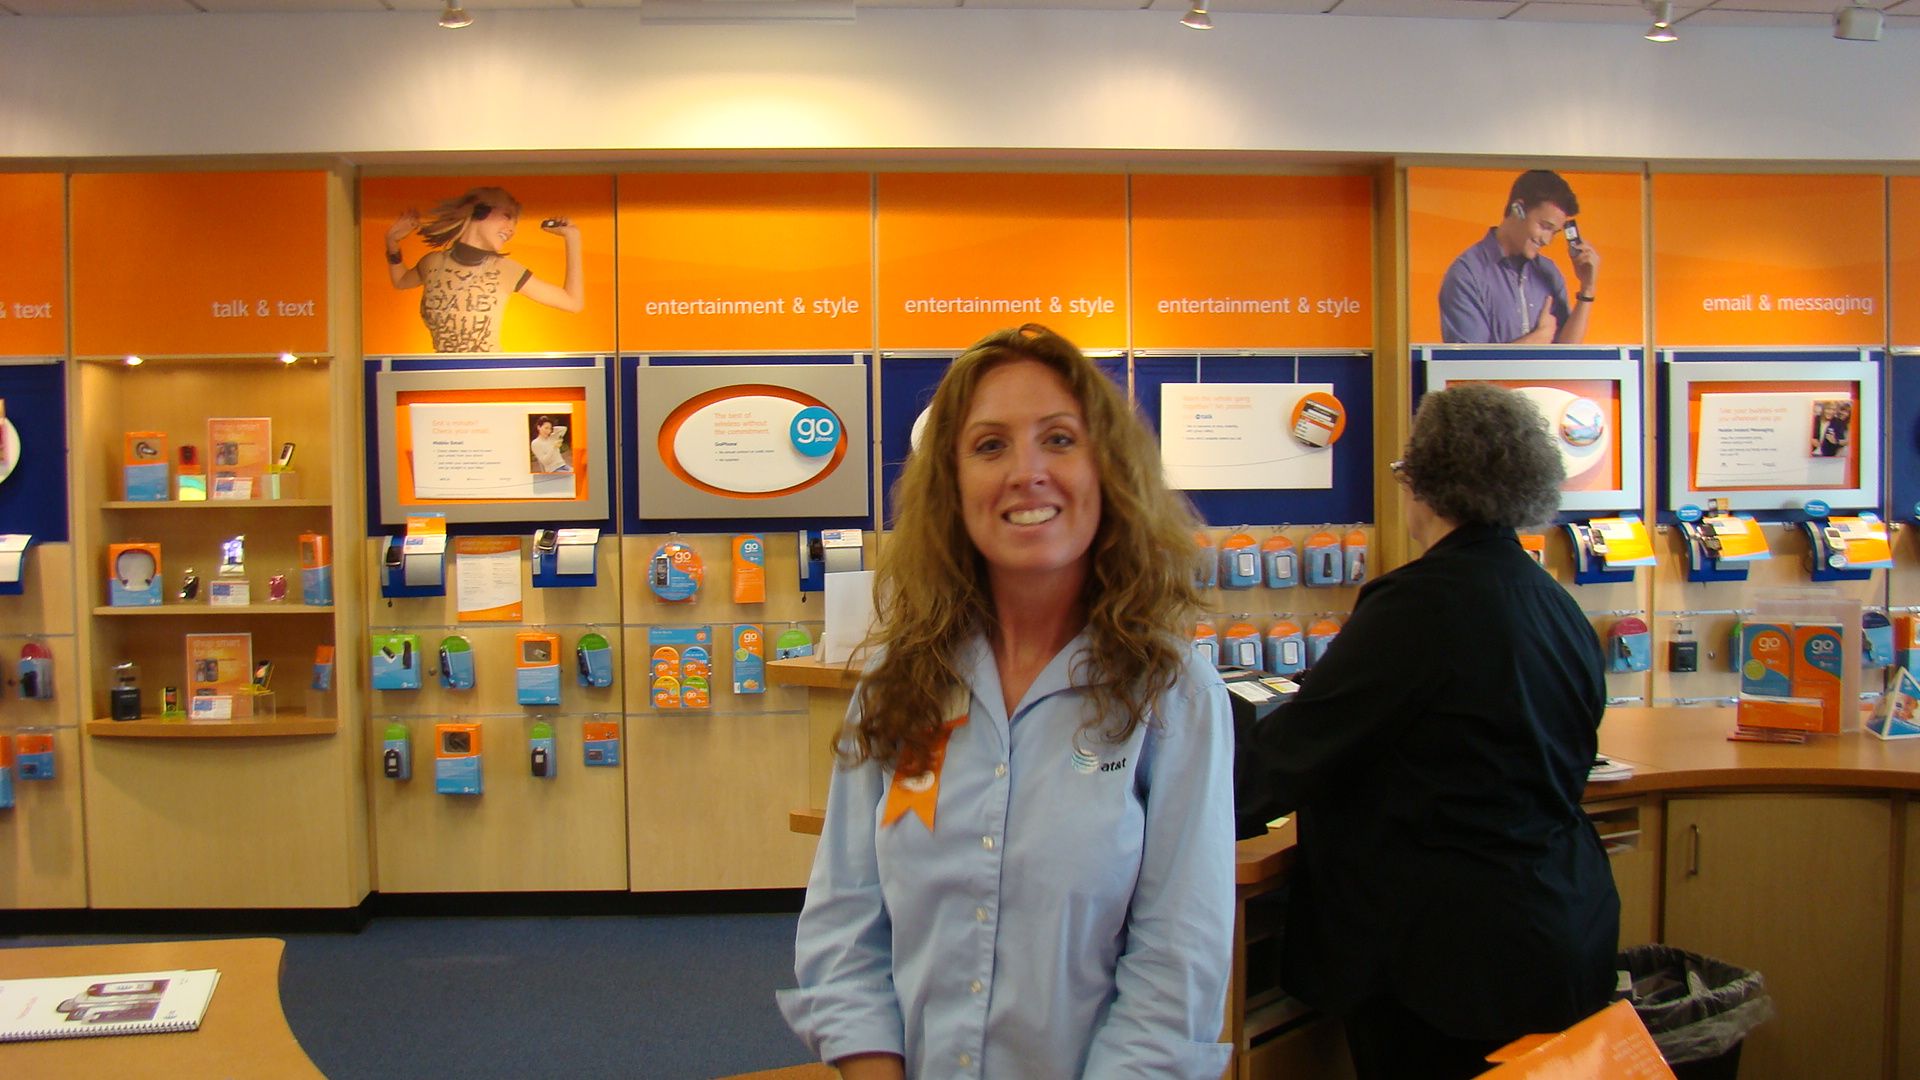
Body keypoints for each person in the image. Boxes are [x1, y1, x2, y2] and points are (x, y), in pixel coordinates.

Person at [778, 325, 1236, 1080]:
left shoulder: (1173, 693)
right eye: (990, 446)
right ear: (952, 486)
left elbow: (1175, 969)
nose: (1027, 473)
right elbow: (844, 925)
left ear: (1107, 469)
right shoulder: (899, 681)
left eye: (1059, 439)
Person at [1240, 383, 1619, 1079]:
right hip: (1556, 924)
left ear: (1425, 482)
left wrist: (1180, 803)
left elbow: (1294, 752)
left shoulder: (1420, 606)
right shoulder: (1554, 605)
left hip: (1449, 964)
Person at [384, 187, 584, 353]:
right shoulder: (433, 263)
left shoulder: (505, 270)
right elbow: (401, 281)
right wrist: (392, 242)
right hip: (444, 376)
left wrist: (572, 238)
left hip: (489, 376)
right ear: (478, 211)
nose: (511, 229)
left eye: (514, 222)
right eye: (507, 216)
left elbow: (572, 302)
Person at [1439, 170, 1600, 345]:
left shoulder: (1549, 272)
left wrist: (1587, 288)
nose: (1547, 240)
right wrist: (1538, 338)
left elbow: (1568, 353)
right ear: (1518, 209)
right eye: (1545, 227)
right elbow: (1468, 361)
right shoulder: (1467, 275)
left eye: (1554, 232)